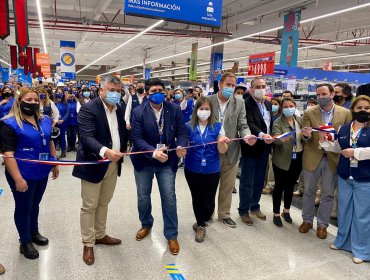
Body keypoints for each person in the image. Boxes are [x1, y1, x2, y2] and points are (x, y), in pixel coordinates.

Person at [72, 75, 128, 265]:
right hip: (93, 164)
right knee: (89, 205)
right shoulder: (89, 109)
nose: (115, 94)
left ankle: (100, 234)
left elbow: (121, 132)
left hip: (113, 164)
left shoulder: (119, 110)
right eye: (111, 90)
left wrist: (124, 148)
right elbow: (87, 137)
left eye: (118, 91)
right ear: (101, 90)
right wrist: (105, 151)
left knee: (104, 202)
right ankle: (88, 243)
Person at [130, 78, 188, 255]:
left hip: (167, 162)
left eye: (160, 90)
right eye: (153, 91)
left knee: (169, 198)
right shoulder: (139, 111)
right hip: (144, 161)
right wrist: (152, 152)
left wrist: (181, 145)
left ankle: (171, 234)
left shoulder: (174, 109)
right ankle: (146, 224)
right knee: (143, 196)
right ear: (147, 93)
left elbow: (181, 132)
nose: (158, 94)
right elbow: (137, 139)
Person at [0, 87, 59, 260]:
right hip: (21, 174)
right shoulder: (8, 123)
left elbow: (49, 142)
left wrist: (54, 162)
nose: (33, 103)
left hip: (42, 171)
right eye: (29, 99)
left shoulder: (45, 120)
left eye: (36, 100)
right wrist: (18, 179)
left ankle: (33, 232)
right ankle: (24, 241)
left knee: (35, 204)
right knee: (24, 206)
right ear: (19, 101)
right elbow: (8, 155)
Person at [320, 95, 370, 264]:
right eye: (359, 108)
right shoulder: (343, 128)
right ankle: (342, 241)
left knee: (362, 215)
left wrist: (355, 153)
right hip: (344, 176)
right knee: (344, 210)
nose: (363, 111)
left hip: (364, 178)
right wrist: (325, 142)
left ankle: (362, 250)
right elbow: (337, 147)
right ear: (353, 110)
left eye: (366, 108)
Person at [299, 83, 352, 239]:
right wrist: (307, 135)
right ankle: (307, 220)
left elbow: (347, 136)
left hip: (332, 158)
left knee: (327, 194)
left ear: (331, 94)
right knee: (309, 191)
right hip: (312, 156)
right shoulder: (309, 112)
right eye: (318, 95)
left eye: (324, 94)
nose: (321, 97)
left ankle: (322, 225)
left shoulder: (345, 113)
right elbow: (305, 137)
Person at [208, 72, 255, 227]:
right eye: (227, 84)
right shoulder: (208, 101)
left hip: (232, 150)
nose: (230, 88)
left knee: (227, 186)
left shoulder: (239, 102)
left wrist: (247, 136)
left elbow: (242, 123)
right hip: (211, 151)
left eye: (233, 85)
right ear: (220, 84)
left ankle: (224, 214)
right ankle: (207, 215)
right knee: (210, 186)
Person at [184, 97, 229, 242]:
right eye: (201, 108)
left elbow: (222, 151)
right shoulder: (188, 126)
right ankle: (201, 225)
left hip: (212, 168)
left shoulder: (217, 126)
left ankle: (203, 219)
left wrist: (222, 143)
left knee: (208, 201)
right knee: (197, 197)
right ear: (196, 110)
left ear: (211, 111)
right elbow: (183, 146)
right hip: (192, 168)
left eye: (207, 109)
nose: (204, 111)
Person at [239, 77, 274, 225]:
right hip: (251, 146)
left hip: (265, 148)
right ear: (251, 89)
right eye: (258, 86)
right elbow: (249, 123)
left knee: (260, 179)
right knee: (247, 181)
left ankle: (255, 206)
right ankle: (244, 210)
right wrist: (261, 135)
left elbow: (269, 123)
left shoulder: (267, 104)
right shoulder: (246, 104)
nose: (261, 89)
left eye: (263, 86)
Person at [271, 98, 303, 227]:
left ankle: (286, 211)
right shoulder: (278, 122)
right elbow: (275, 140)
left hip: (298, 158)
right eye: (285, 106)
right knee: (279, 186)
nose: (289, 108)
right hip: (282, 159)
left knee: (290, 186)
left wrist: (306, 135)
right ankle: (276, 213)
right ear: (282, 109)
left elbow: (305, 138)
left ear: (295, 106)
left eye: (291, 106)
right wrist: (282, 137)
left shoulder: (300, 120)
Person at [262, 97, 281, 195]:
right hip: (267, 143)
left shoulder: (279, 117)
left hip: (276, 145)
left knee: (272, 167)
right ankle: (265, 184)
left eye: (276, 104)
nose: (273, 106)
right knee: (267, 165)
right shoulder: (267, 115)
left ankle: (270, 185)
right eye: (272, 103)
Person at [53, 88, 69, 158]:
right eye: (58, 92)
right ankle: (53, 153)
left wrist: (63, 120)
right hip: (54, 123)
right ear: (55, 93)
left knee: (62, 137)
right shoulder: (53, 103)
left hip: (63, 123)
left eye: (61, 92)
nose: (60, 94)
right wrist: (55, 120)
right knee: (54, 138)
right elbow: (51, 112)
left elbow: (67, 113)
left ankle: (63, 151)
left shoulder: (65, 103)